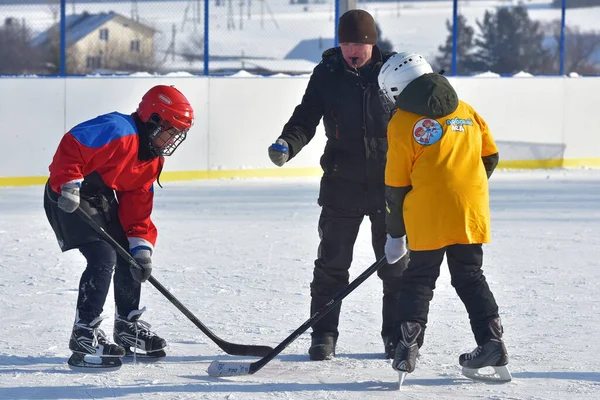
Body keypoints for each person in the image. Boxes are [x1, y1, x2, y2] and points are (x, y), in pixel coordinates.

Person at [267, 9, 408, 361]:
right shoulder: (328, 72)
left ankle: (394, 336)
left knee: (396, 268)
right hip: (341, 182)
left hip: (389, 186)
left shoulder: (394, 72)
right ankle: (324, 335)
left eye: (357, 44)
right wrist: (288, 143)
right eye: (345, 44)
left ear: (372, 43)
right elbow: (306, 116)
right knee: (331, 265)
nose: (351, 51)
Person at [379, 52, 511, 384]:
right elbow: (490, 156)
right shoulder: (466, 110)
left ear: (396, 90)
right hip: (470, 210)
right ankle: (492, 343)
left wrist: (395, 235)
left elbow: (396, 186)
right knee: (470, 276)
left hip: (427, 214)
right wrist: (464, 188)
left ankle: (407, 347)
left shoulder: (402, 123)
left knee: (419, 279)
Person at [43, 85, 194, 369]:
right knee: (103, 256)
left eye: (177, 134)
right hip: (66, 193)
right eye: (170, 131)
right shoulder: (118, 129)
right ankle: (84, 333)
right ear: (153, 120)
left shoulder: (150, 158)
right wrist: (68, 183)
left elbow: (137, 206)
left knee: (128, 255)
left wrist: (141, 248)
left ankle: (127, 325)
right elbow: (73, 143)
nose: (172, 139)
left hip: (98, 197)